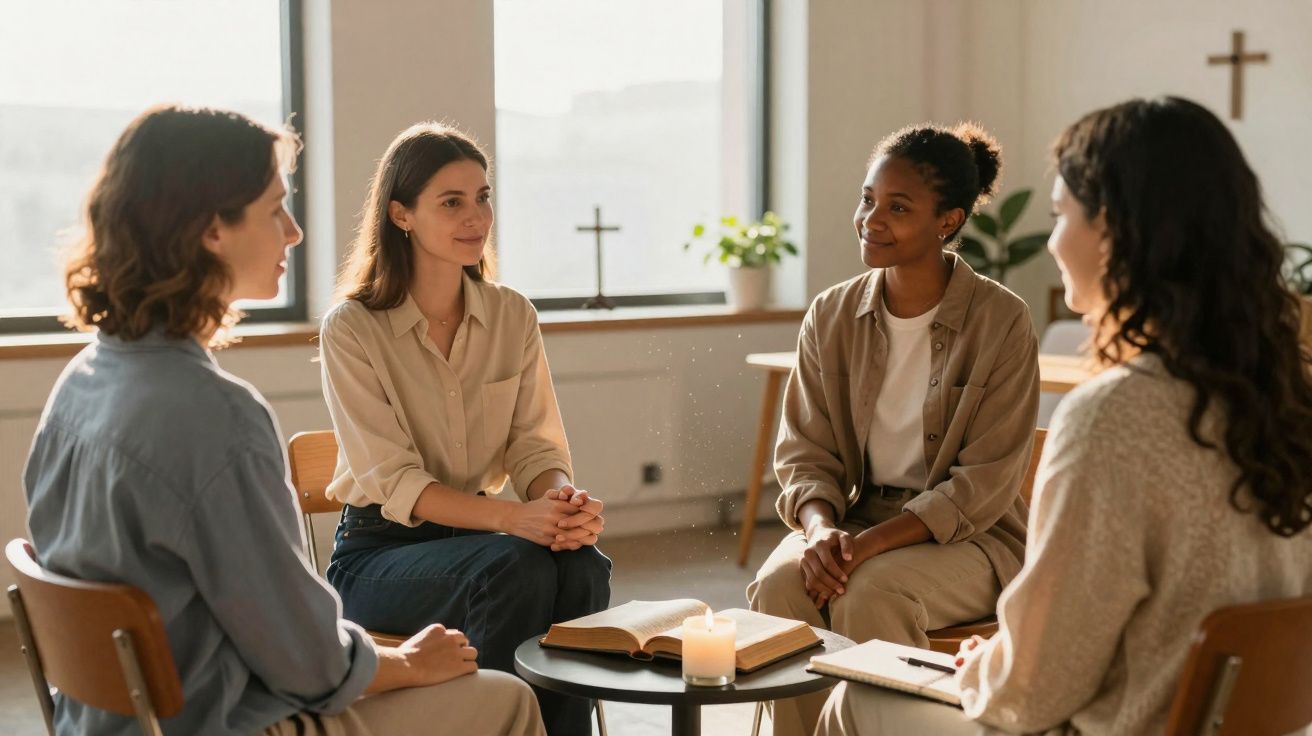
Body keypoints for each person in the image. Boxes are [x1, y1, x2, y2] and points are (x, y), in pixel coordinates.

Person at [23, 105, 544, 735]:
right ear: (212, 229)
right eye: (275, 208)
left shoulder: (79, 382)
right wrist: (407, 662)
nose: (293, 232)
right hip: (223, 723)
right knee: (506, 697)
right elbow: (309, 663)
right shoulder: (217, 416)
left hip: (112, 722)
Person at [817, 97, 1312, 735]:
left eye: (1061, 215)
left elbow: (1035, 692)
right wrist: (1002, 660)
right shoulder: (1288, 395)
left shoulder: (1113, 419)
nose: (1051, 242)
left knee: (854, 703)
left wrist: (984, 671)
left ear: (1115, 232)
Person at [747, 122, 1040, 736]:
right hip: (855, 522)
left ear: (948, 220)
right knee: (779, 585)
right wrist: (823, 528)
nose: (870, 220)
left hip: (972, 540)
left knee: (871, 592)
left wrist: (866, 547)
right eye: (867, 200)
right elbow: (805, 452)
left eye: (897, 208)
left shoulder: (1001, 321)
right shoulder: (830, 314)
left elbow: (983, 485)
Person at [319, 122, 611, 735]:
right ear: (401, 215)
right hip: (378, 553)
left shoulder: (512, 314)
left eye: (482, 197)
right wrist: (515, 519)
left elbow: (535, 447)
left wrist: (557, 502)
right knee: (515, 565)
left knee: (581, 563)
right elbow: (396, 480)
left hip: (482, 540)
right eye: (451, 202)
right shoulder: (353, 327)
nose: (475, 216)